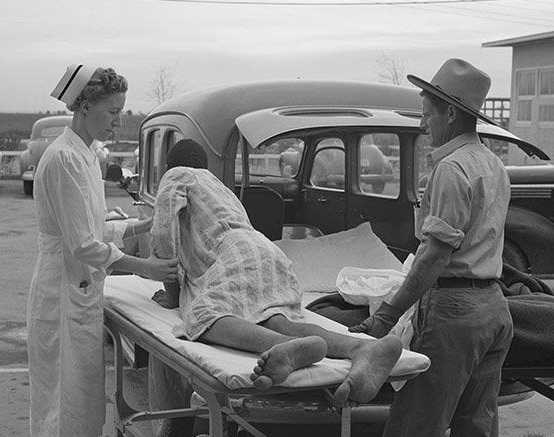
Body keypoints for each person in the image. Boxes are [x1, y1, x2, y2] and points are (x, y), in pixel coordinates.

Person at [151, 139, 402, 406]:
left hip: (232, 253)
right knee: (272, 317)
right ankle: (363, 348)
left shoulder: (175, 176)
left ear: (170, 165)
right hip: (267, 254)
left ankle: (282, 346)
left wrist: (172, 295)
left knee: (203, 317)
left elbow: (163, 237)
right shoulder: (218, 187)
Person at [351, 59, 514, 437]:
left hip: (454, 315)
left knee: (413, 435)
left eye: (429, 115)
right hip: (493, 308)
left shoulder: (450, 169)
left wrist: (386, 316)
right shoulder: (493, 164)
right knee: (475, 434)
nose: (425, 125)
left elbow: (434, 256)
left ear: (452, 112)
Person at [27, 64, 177, 437]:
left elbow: (94, 229)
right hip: (61, 293)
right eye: (112, 112)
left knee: (70, 414)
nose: (117, 123)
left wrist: (142, 227)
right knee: (57, 419)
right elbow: (82, 245)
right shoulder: (64, 159)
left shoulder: (86, 156)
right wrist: (147, 268)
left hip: (77, 290)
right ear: (84, 106)